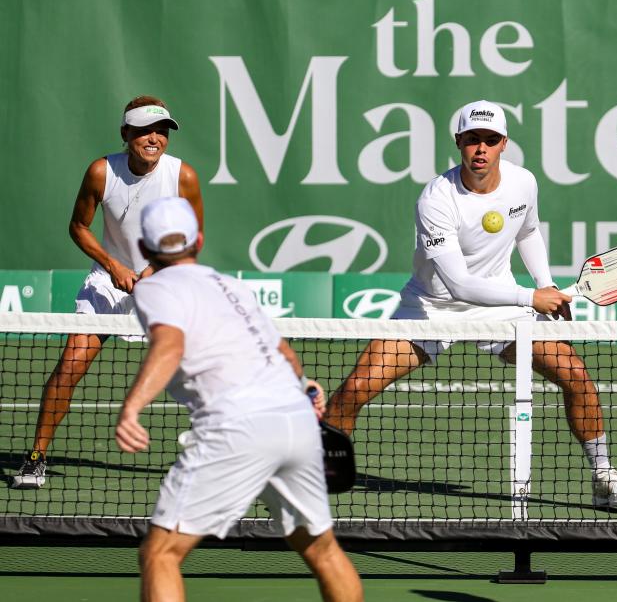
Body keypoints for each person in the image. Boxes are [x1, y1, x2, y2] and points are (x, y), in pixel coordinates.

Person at [325, 100, 617, 508]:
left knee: (576, 375)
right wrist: (533, 297)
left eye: (490, 140)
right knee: (355, 389)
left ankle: (603, 476)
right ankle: (316, 475)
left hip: (500, 308)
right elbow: (458, 284)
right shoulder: (436, 200)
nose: (481, 149)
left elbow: (527, 233)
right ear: (458, 142)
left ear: (503, 144)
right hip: (431, 307)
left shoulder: (523, 183)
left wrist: (546, 286)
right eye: (473, 140)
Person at [114, 197, 363, 602]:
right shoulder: (231, 285)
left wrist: (132, 407)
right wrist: (303, 387)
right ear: (199, 240)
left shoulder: (155, 286)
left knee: (161, 553)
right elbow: (284, 352)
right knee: (321, 548)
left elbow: (169, 345)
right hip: (295, 421)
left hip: (237, 425)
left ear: (144, 249)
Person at [13, 95, 203, 489]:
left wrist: (153, 269)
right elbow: (78, 226)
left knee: (205, 371)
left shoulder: (183, 176)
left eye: (162, 130)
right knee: (70, 366)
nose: (154, 138)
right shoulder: (102, 172)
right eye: (145, 131)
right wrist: (114, 265)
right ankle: (35, 457)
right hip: (107, 283)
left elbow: (193, 237)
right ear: (125, 134)